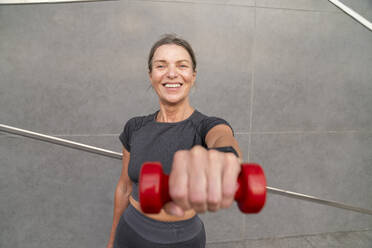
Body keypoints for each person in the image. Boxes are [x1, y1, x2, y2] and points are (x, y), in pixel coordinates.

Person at [106, 34, 242, 248]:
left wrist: (226, 155)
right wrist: (112, 239)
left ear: (193, 75)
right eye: (161, 66)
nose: (171, 73)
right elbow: (124, 186)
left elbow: (221, 136)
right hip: (130, 231)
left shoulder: (205, 126)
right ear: (151, 76)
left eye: (182, 65)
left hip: (183, 240)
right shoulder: (135, 127)